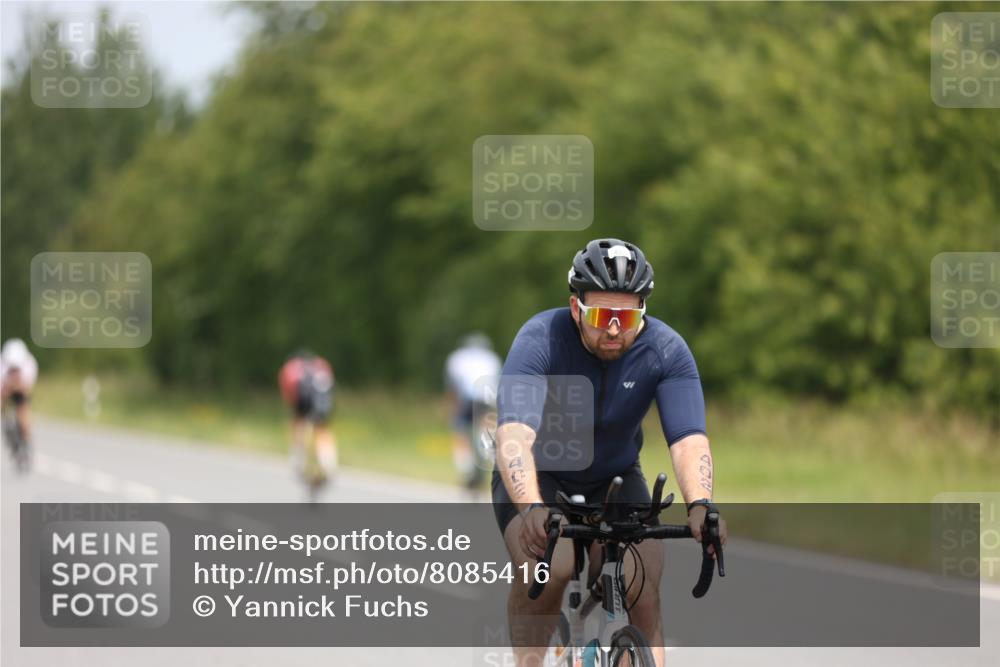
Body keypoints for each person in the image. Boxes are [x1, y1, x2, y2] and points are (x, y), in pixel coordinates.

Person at [492, 238, 727, 667]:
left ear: (643, 311)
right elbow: (513, 435)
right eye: (602, 316)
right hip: (541, 475)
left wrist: (700, 505)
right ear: (576, 307)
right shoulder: (541, 338)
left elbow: (689, 439)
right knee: (553, 568)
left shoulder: (666, 350)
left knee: (640, 584)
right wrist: (530, 508)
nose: (615, 329)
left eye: (628, 317)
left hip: (615, 478)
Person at [444, 332, 502, 493]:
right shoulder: (492, 358)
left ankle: (466, 469)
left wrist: (451, 408)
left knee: (460, 433)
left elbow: (453, 386)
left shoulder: (457, 358)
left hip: (466, 399)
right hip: (486, 399)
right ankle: (486, 466)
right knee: (484, 433)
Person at [278, 349, 337, 483]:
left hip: (302, 398)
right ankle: (328, 462)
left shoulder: (290, 367)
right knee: (322, 429)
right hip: (323, 398)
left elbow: (288, 395)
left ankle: (298, 458)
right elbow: (331, 384)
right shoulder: (321, 364)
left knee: (298, 423)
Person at [1, 338, 39, 448]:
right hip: (5, 389)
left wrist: (18, 386)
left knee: (23, 411)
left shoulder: (29, 365)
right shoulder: (2, 366)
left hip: (21, 391)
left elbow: (27, 387)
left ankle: (25, 438)